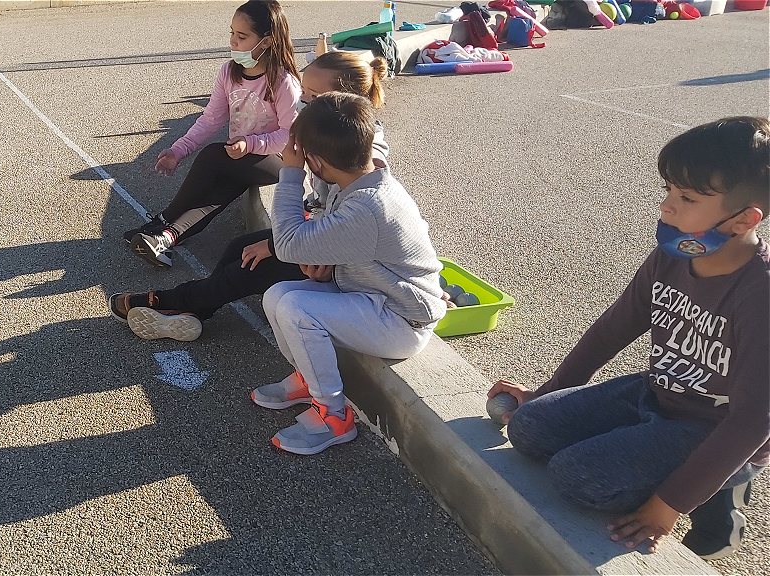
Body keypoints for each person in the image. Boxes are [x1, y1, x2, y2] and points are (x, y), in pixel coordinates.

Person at [487, 117, 769, 560]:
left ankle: (721, 487)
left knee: (577, 477)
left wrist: (668, 505)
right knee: (528, 427)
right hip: (656, 393)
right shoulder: (671, 257)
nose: (666, 207)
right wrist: (547, 392)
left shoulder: (759, 295)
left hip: (714, 425)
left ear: (743, 220)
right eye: (669, 190)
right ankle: (658, 455)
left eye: (687, 198)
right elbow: (613, 328)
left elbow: (753, 420)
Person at [109, 51, 391, 341]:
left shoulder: (362, 153)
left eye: (313, 97)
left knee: (253, 265)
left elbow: (353, 218)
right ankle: (194, 310)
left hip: (347, 270)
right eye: (304, 94)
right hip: (324, 247)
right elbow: (322, 208)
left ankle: (170, 301)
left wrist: (290, 183)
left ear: (343, 102)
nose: (303, 103)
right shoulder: (330, 135)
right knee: (240, 248)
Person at [254, 92, 445, 455]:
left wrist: (290, 174)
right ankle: (308, 378)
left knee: (297, 310)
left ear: (316, 162)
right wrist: (328, 271)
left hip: (401, 321)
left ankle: (334, 417)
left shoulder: (369, 206)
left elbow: (288, 244)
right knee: (277, 295)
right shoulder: (361, 181)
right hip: (372, 297)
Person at [123, 0, 300, 268]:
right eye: (232, 33)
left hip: (278, 162)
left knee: (213, 155)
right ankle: (164, 239)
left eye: (242, 36)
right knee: (217, 196)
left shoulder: (283, 82)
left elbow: (289, 135)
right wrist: (177, 151)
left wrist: (249, 143)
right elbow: (210, 119)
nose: (233, 41)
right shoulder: (228, 72)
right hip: (241, 157)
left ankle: (161, 220)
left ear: (265, 42)